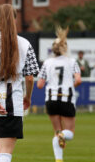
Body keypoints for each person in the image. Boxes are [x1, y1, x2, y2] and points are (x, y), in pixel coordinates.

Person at [0, 4, 39, 162]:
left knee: (0, 149)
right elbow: (30, 78)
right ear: (15, 20)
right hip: (11, 102)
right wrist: (28, 97)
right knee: (5, 152)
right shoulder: (25, 43)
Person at [37, 27, 81, 162]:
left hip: (51, 99)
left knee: (57, 132)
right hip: (67, 98)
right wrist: (70, 87)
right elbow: (78, 80)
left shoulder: (47, 63)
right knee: (69, 133)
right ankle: (62, 136)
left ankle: (59, 159)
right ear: (64, 48)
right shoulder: (72, 61)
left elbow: (39, 85)